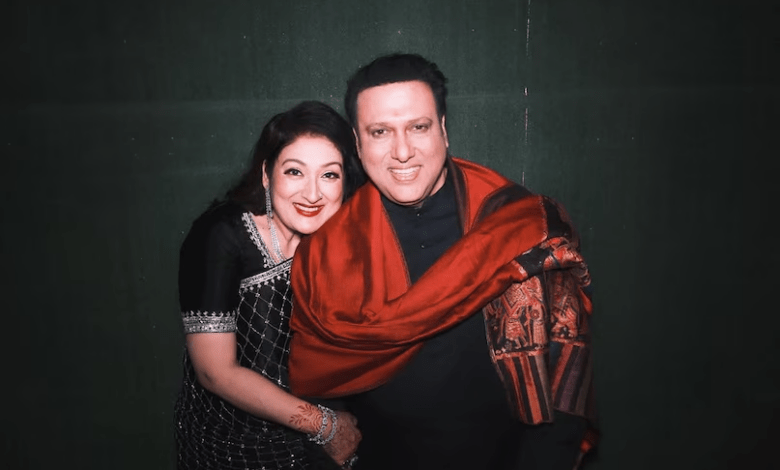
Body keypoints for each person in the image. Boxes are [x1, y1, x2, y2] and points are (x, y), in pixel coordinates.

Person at [288, 54, 598, 470]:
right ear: (358, 145)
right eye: (380, 132)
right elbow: (320, 388)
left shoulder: (518, 224)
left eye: (418, 127)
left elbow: (565, 381)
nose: (402, 152)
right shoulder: (325, 252)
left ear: (444, 131)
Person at [174, 100, 365, 469]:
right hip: (228, 444)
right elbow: (215, 372)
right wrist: (324, 426)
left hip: (315, 438)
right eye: (295, 171)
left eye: (329, 175)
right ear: (266, 174)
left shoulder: (341, 238)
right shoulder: (221, 234)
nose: (312, 194)